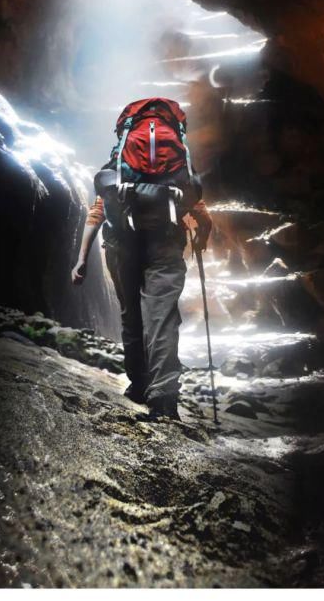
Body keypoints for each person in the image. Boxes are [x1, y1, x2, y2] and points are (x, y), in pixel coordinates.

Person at [71, 99, 212, 422]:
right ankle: (164, 400)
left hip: (122, 246)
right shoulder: (176, 168)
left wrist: (81, 260)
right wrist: (200, 239)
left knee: (131, 316)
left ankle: (138, 385)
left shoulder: (119, 165)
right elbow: (202, 215)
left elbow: (97, 212)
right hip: (165, 244)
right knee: (162, 319)